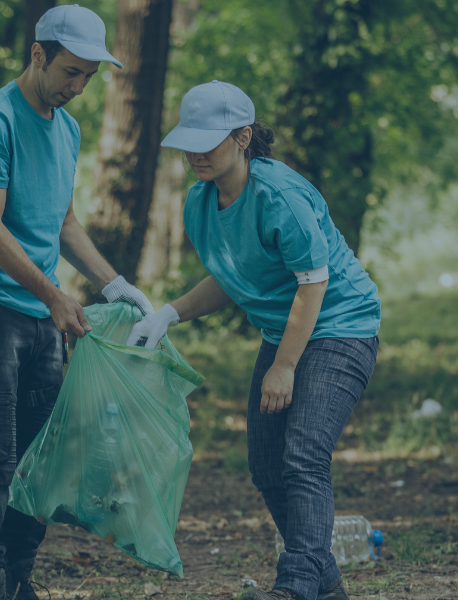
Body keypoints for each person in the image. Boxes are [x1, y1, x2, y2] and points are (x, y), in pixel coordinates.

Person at [129, 81, 380, 600]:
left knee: (305, 454)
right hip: (285, 329)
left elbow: (313, 284)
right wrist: (169, 314)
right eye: (189, 140)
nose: (196, 152)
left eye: (209, 139)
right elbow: (231, 276)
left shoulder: (279, 196)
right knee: (267, 466)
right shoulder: (200, 205)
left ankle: (295, 587)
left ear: (243, 138)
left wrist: (284, 365)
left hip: (341, 324)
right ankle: (325, 584)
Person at [0, 6, 154, 600]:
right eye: (70, 71)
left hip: (39, 310)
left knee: (42, 454)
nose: (77, 87)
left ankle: (17, 575)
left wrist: (114, 283)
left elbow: (61, 221)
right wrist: (56, 295)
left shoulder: (68, 127)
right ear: (38, 54)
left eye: (87, 76)